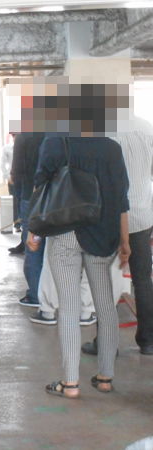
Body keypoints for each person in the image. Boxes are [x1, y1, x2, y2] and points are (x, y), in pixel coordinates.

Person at [27, 136, 130, 398]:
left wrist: (33, 231)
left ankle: (70, 383)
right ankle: (105, 377)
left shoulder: (56, 141)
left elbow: (41, 186)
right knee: (105, 305)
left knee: (69, 306)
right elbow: (121, 197)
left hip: (65, 230)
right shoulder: (111, 148)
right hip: (102, 233)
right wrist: (125, 240)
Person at [82, 116, 153, 356]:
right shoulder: (147, 128)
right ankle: (148, 341)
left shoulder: (102, 134)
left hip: (110, 216)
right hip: (142, 215)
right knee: (143, 280)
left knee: (103, 280)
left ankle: (106, 342)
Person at [13, 134, 45, 306]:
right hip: (58, 199)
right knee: (55, 248)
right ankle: (54, 295)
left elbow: (17, 169)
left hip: (30, 196)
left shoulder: (24, 136)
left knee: (33, 246)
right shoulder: (61, 133)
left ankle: (35, 295)